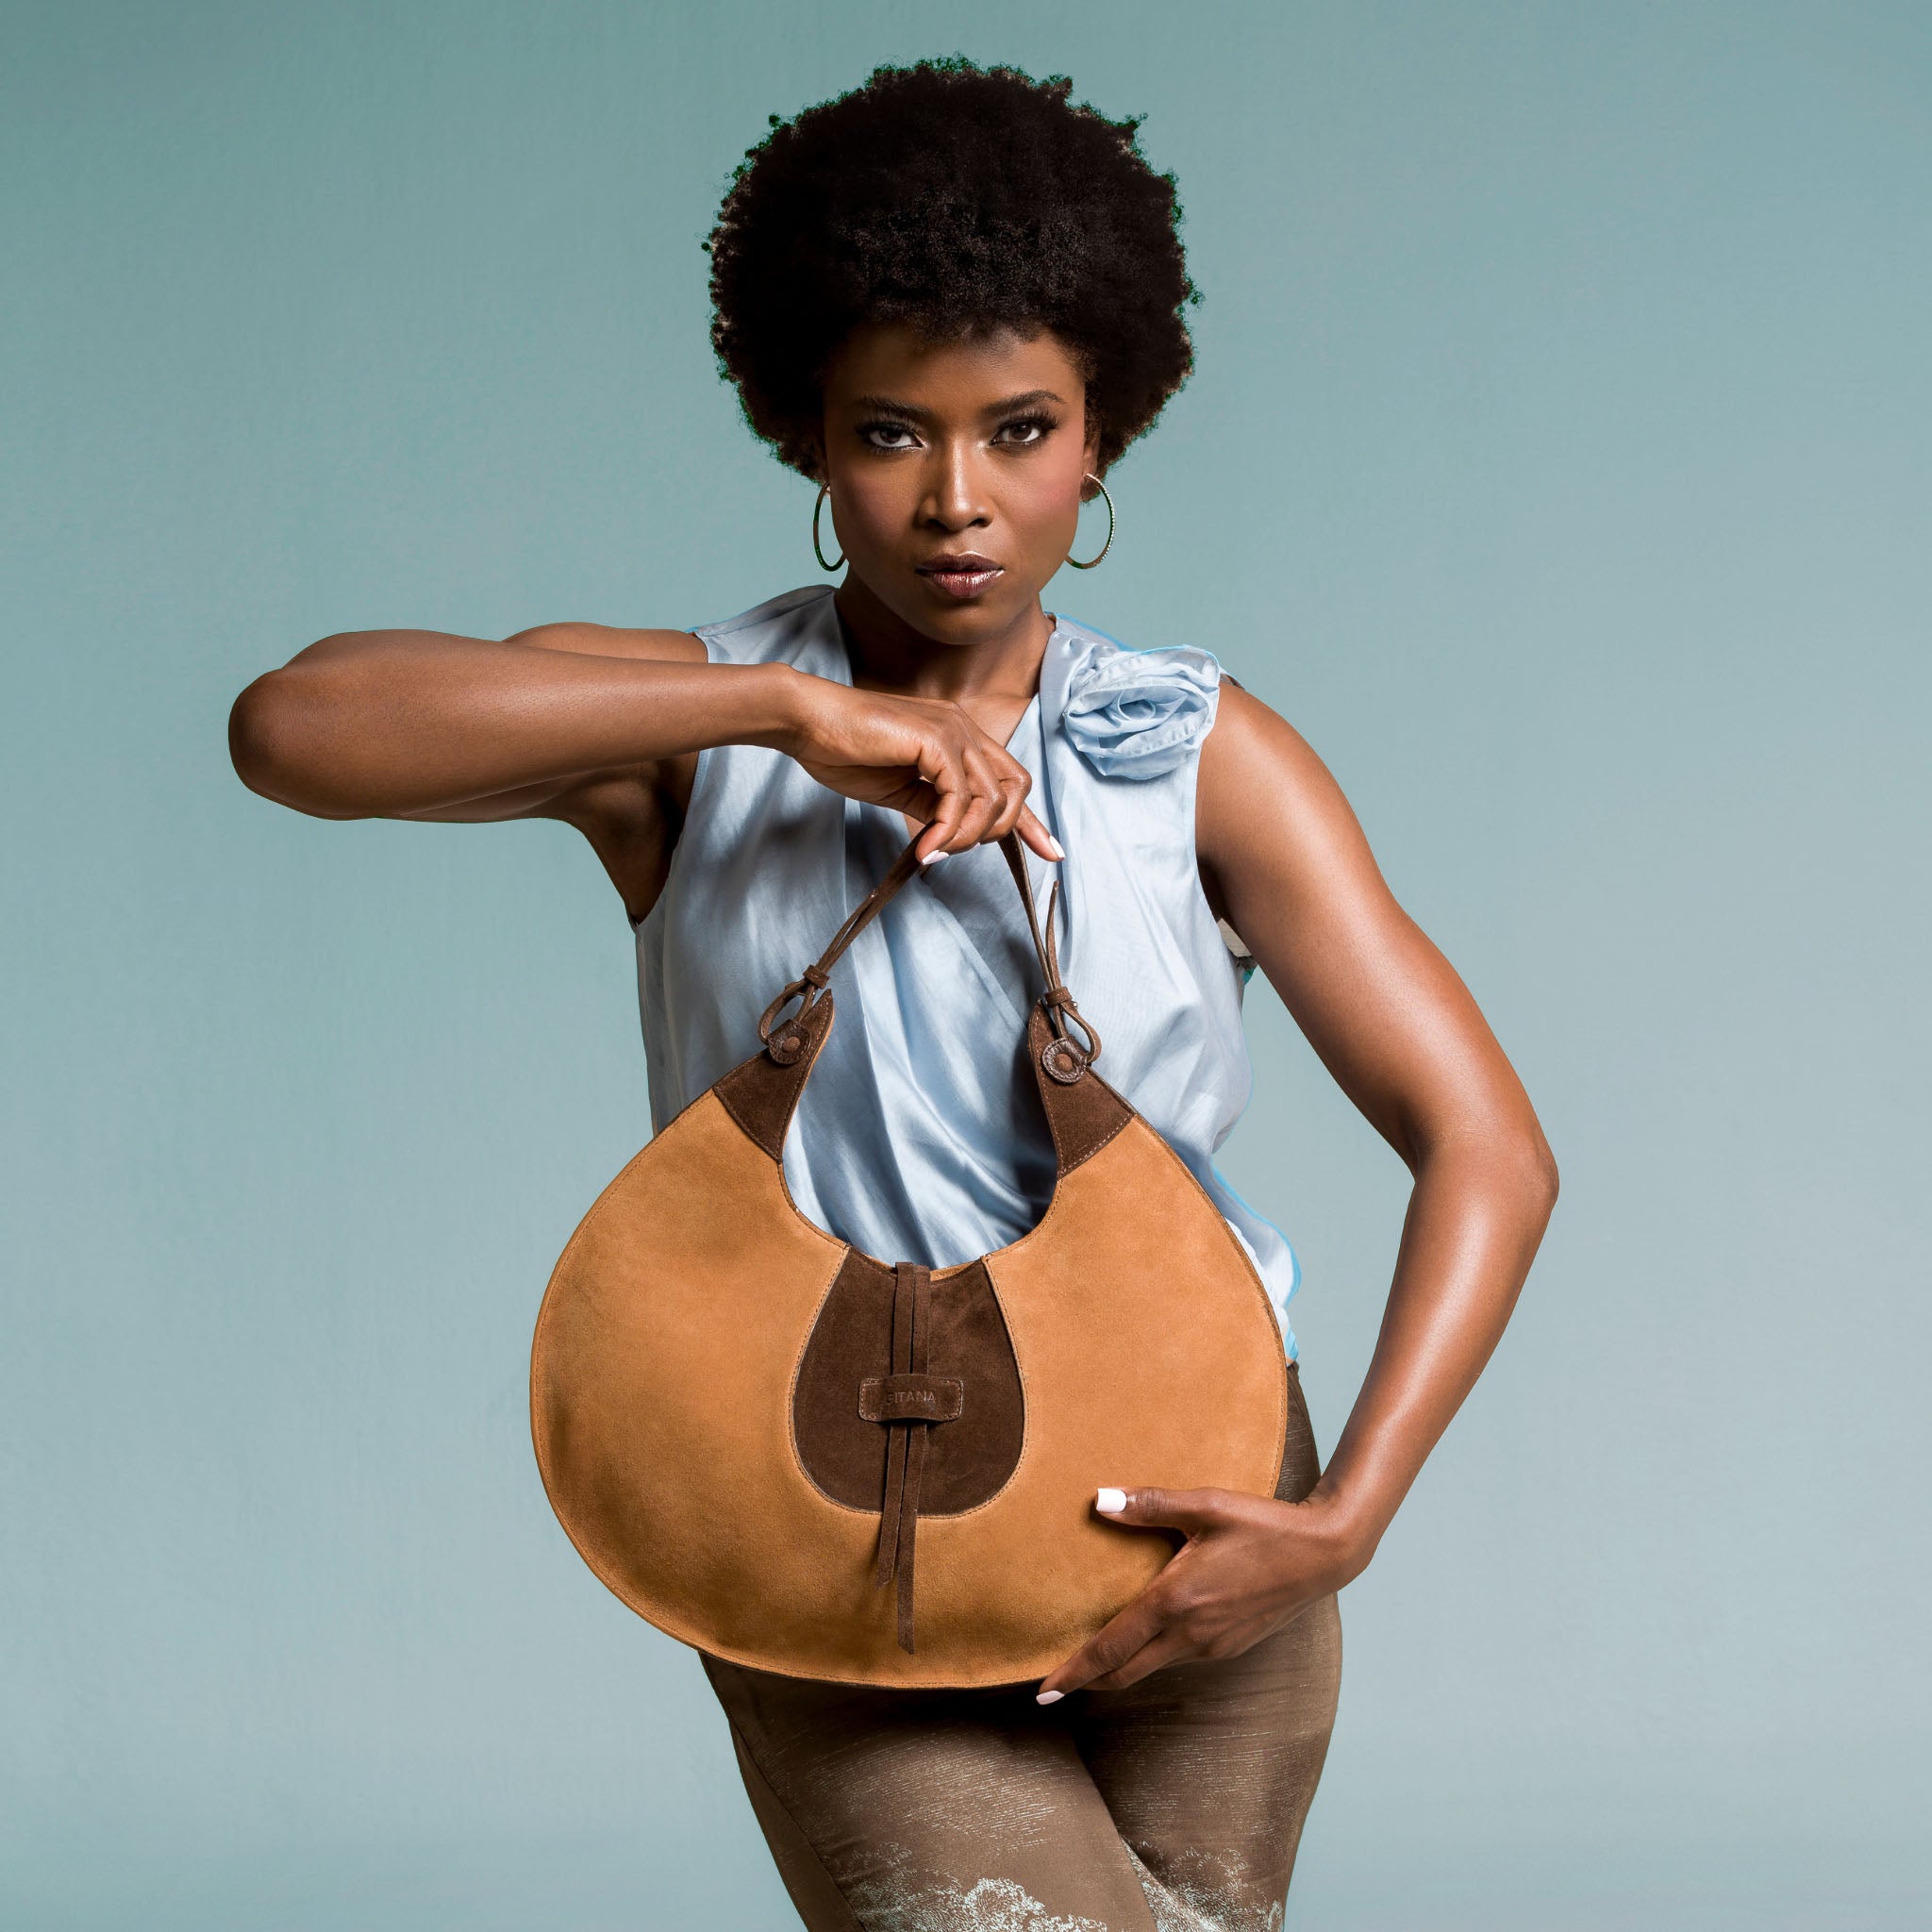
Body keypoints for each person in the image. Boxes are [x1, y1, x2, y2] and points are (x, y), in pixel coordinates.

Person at [229, 56, 1557, 1932]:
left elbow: (1486, 1144)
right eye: (889, 433)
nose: (957, 500)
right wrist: (778, 707)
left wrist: (1343, 1515)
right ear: (802, 434)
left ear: (1102, 436)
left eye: (1019, 430)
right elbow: (296, 725)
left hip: (1202, 1513)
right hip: (816, 1514)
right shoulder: (693, 729)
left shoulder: (1189, 751)